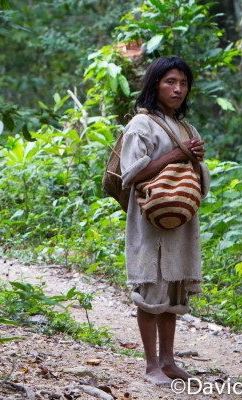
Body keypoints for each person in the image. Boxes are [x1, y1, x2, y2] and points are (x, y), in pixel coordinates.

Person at [120, 56, 210, 386]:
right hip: (150, 223)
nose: (178, 89)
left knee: (172, 292)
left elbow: (199, 180)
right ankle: (150, 366)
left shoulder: (187, 128)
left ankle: (169, 361)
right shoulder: (140, 125)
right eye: (170, 82)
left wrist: (196, 161)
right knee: (151, 290)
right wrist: (177, 154)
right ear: (155, 84)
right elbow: (131, 174)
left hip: (181, 225)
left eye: (183, 83)